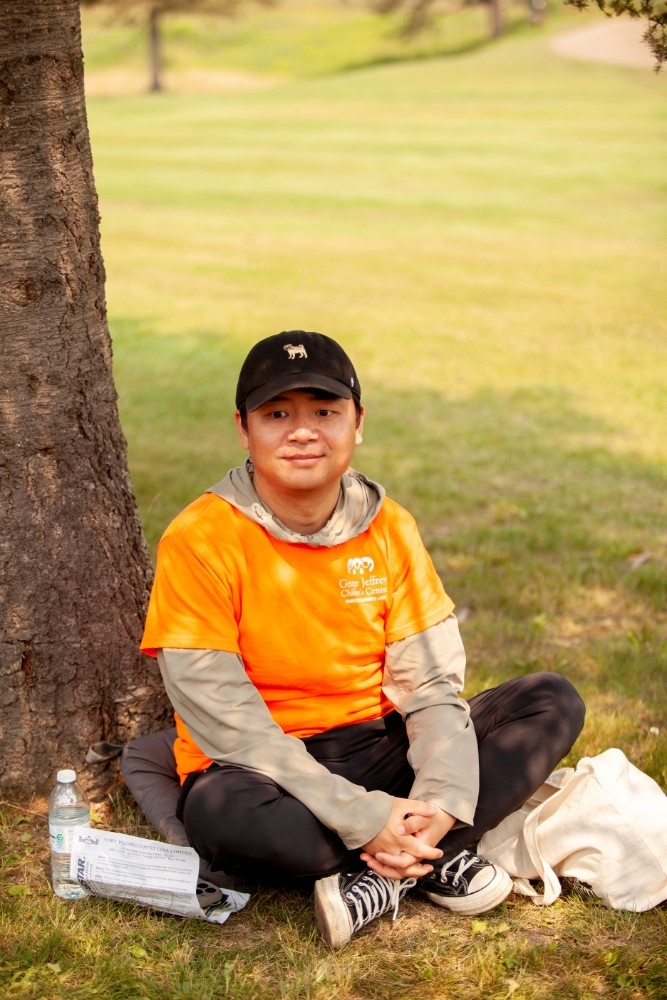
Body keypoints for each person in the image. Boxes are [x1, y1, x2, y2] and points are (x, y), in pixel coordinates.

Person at [125, 330, 585, 949]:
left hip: (378, 744)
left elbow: (430, 685)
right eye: (277, 415)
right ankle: (435, 856)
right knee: (219, 815)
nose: (303, 432)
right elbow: (230, 724)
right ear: (243, 429)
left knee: (549, 700)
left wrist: (441, 797)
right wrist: (364, 816)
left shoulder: (389, 526)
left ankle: (397, 861)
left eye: (325, 412)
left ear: (358, 422)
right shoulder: (199, 539)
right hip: (262, 769)